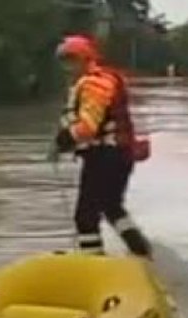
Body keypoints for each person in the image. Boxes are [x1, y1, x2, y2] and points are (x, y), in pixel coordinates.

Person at [49, 33, 153, 259]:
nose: (67, 67)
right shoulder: (102, 79)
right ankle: (141, 251)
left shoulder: (93, 83)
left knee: (85, 216)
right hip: (119, 155)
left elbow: (87, 127)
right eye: (64, 61)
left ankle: (93, 261)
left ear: (85, 59)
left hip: (105, 156)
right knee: (112, 206)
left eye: (72, 60)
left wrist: (61, 141)